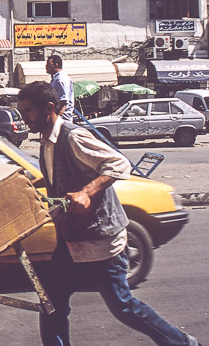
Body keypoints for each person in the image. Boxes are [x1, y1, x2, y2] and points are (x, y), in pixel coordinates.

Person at [17, 81, 198, 346]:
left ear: (49, 108)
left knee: (123, 306)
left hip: (100, 240)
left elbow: (118, 163)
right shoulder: (46, 138)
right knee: (51, 304)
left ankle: (182, 343)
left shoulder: (73, 136)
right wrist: (30, 183)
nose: (24, 118)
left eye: (27, 111)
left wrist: (86, 193)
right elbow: (58, 172)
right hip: (70, 240)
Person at [47, 54, 75, 121]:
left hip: (62, 120)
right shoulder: (56, 79)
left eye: (48, 64)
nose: (46, 66)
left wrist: (55, 118)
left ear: (56, 65)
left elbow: (63, 102)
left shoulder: (61, 79)